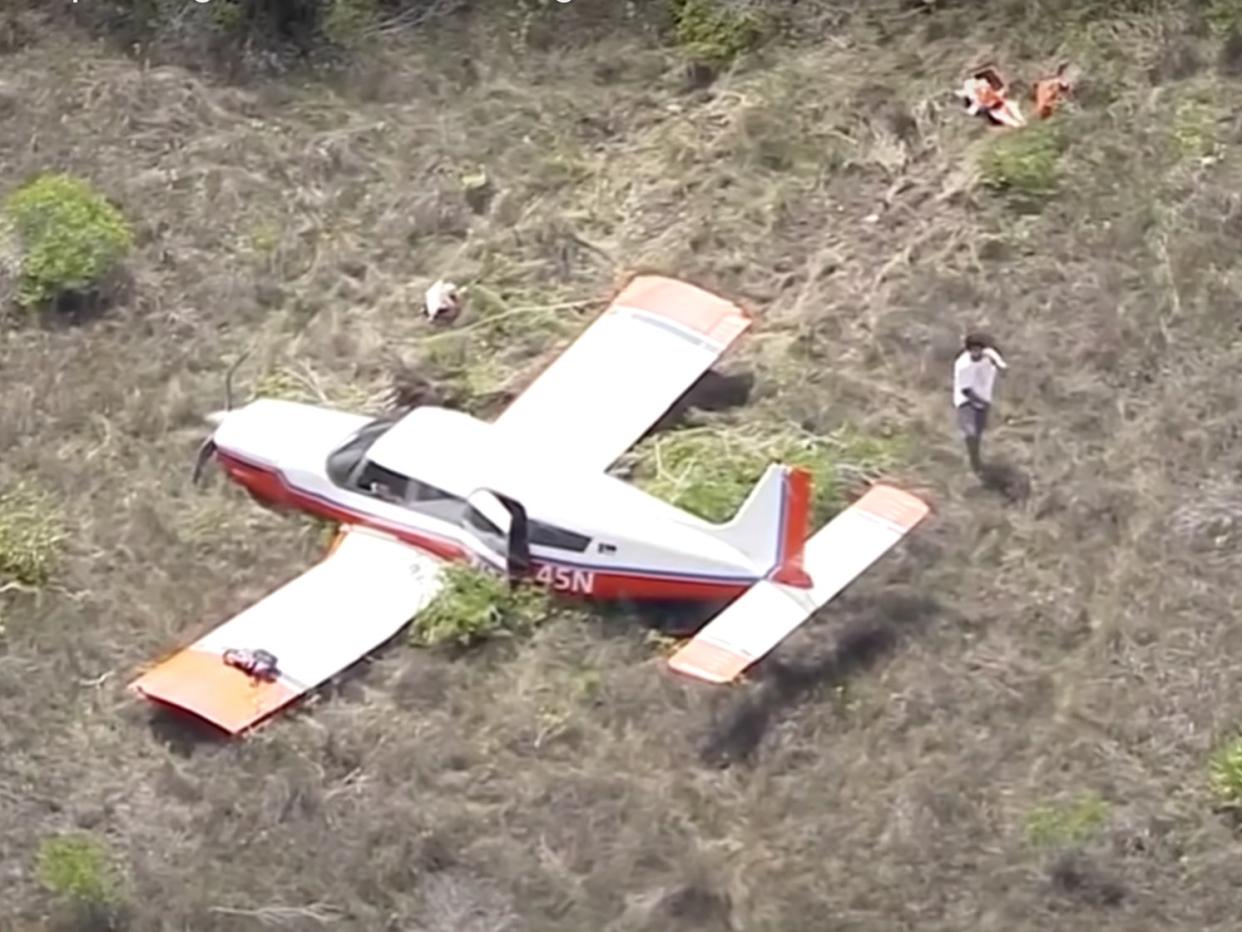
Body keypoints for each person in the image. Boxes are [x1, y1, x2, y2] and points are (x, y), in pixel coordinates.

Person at [953, 332, 1008, 473]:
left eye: (979, 349)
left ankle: (975, 455)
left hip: (984, 399)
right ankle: (974, 461)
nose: (976, 352)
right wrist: (980, 402)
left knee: (978, 432)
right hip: (967, 402)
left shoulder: (988, 355)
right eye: (973, 350)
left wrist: (1001, 367)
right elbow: (966, 390)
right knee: (970, 432)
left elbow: (999, 363)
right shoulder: (963, 365)